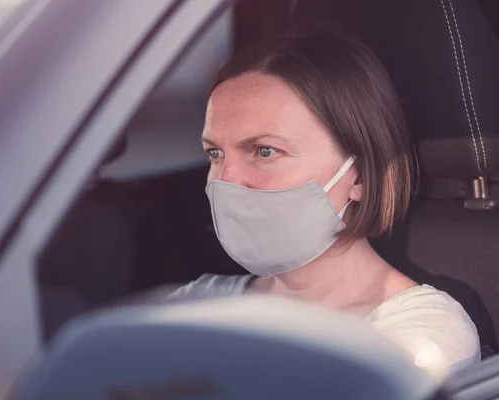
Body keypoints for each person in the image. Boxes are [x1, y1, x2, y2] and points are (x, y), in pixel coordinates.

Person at [169, 27, 480, 375]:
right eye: (215, 153)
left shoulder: (419, 336)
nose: (225, 181)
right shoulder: (196, 303)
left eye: (264, 151)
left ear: (359, 175)